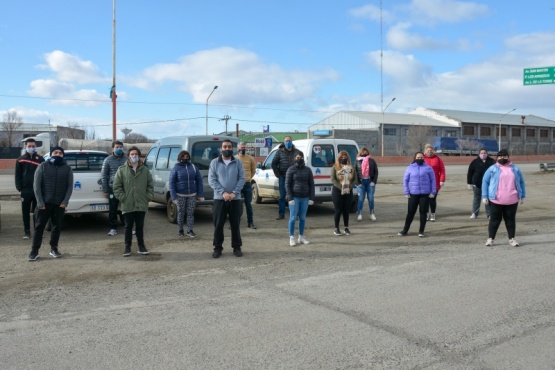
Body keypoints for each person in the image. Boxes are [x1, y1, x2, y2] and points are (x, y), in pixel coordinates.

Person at [27, 146, 73, 261]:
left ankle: (54, 248)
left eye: (60, 153)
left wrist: (65, 201)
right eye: (55, 152)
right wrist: (40, 202)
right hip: (44, 204)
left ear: (63, 155)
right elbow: (36, 186)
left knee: (56, 227)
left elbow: (69, 187)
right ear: (51, 154)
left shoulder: (67, 168)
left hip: (59, 204)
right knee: (39, 227)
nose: (58, 154)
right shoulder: (42, 166)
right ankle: (34, 251)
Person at [113, 146, 154, 257]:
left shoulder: (145, 170)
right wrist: (123, 198)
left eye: (136, 154)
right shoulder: (122, 170)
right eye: (132, 154)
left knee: (140, 226)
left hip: (141, 203)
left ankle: (141, 246)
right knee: (128, 226)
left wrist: (147, 197)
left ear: (139, 156)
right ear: (128, 156)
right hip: (128, 203)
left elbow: (150, 185)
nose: (134, 156)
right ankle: (127, 247)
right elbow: (116, 187)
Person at [208, 139, 246, 258]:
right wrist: (223, 192)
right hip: (220, 199)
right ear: (221, 149)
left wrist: (234, 193)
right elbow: (212, 180)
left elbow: (242, 178)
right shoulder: (214, 162)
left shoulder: (238, 162)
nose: (227, 149)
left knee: (235, 225)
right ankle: (217, 248)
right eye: (225, 147)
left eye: (229, 147)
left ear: (232, 148)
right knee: (218, 225)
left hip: (235, 199)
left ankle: (237, 247)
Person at [481, 149, 526, 247]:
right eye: (500, 156)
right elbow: (485, 182)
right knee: (494, 220)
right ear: (497, 158)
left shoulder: (515, 169)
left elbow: (521, 182)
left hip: (512, 200)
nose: (502, 158)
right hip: (496, 200)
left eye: (505, 156)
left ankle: (512, 239)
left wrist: (522, 195)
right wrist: (484, 196)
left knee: (510, 220)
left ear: (508, 157)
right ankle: (490, 239)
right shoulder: (492, 169)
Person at [398, 152, 436, 237]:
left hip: (425, 194)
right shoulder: (409, 168)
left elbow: (433, 180)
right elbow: (405, 181)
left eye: (421, 157)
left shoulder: (428, 168)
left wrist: (433, 192)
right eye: (418, 157)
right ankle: (405, 230)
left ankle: (421, 231)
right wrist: (406, 192)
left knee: (423, 212)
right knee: (410, 212)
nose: (420, 159)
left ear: (424, 158)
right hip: (413, 194)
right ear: (415, 158)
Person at [169, 150, 204, 238]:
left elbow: (199, 181)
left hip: (192, 195)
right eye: (183, 157)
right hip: (180, 195)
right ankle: (180, 230)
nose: (185, 158)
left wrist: (200, 194)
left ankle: (190, 230)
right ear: (179, 158)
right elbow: (171, 182)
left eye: (187, 157)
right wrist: (174, 197)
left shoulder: (193, 167)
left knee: (190, 213)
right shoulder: (176, 168)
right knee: (181, 213)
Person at [15, 138, 44, 240]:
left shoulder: (41, 160)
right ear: (26, 147)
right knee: (25, 212)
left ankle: (38, 230)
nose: (31, 148)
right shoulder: (20, 159)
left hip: (37, 191)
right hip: (25, 191)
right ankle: (27, 232)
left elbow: (43, 176)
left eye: (33, 146)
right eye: (29, 146)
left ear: (35, 147)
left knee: (38, 212)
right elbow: (17, 176)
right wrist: (20, 188)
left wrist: (42, 189)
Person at [285, 151, 315, 246]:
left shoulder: (308, 170)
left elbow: (311, 184)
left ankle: (301, 236)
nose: (299, 159)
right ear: (294, 158)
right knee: (293, 218)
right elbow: (287, 184)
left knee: (302, 218)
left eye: (301, 157)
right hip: (295, 197)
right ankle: (291, 237)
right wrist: (290, 198)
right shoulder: (291, 169)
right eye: (297, 157)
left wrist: (311, 198)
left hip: (305, 197)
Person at [101, 140, 127, 236]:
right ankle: (113, 228)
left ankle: (127, 226)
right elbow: (104, 175)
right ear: (113, 148)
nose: (119, 149)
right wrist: (105, 190)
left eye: (120, 147)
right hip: (113, 188)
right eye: (117, 147)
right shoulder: (108, 160)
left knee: (126, 208)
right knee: (113, 209)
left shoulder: (127, 159)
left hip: (125, 188)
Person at [271, 136, 301, 220]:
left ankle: (296, 215)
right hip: (283, 177)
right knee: (282, 196)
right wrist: (277, 174)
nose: (288, 142)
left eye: (289, 140)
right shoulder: (279, 152)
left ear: (292, 141)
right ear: (284, 142)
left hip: (294, 177)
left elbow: (301, 162)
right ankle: (281, 214)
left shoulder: (297, 152)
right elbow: (273, 163)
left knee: (295, 196)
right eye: (286, 141)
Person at [330, 150, 357, 236]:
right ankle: (336, 228)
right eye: (342, 157)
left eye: (345, 157)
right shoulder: (335, 167)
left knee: (346, 211)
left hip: (348, 192)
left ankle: (346, 228)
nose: (343, 159)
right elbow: (333, 179)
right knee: (338, 210)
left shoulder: (351, 168)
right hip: (337, 192)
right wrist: (340, 187)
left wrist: (350, 186)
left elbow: (355, 179)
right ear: (339, 158)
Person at [466, 148, 495, 219]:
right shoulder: (474, 162)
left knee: (487, 199)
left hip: (489, 184)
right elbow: (470, 173)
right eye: (481, 153)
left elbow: (496, 172)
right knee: (476, 198)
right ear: (479, 154)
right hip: (477, 184)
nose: (483, 154)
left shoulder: (492, 161)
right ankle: (474, 213)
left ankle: (489, 214)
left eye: (484, 153)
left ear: (487, 153)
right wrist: (469, 183)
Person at [354, 147, 379, 222]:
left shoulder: (372, 161)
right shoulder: (357, 161)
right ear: (360, 153)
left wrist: (373, 181)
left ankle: (372, 214)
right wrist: (358, 183)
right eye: (363, 151)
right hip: (361, 182)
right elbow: (354, 173)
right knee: (361, 199)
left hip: (369, 182)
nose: (364, 153)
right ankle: (359, 214)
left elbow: (376, 171)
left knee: (371, 198)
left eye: (366, 151)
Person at [236, 142, 257, 229]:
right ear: (238, 149)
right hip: (237, 185)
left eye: (244, 147)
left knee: (248, 204)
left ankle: (250, 222)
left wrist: (248, 178)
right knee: (236, 205)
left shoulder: (250, 158)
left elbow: (253, 170)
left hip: (247, 184)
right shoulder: (234, 158)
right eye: (241, 147)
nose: (243, 149)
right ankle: (235, 223)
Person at [423, 144, 446, 221]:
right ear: (425, 151)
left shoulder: (438, 159)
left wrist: (442, 180)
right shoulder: (422, 159)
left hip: (435, 183)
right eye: (428, 151)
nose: (429, 152)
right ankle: (426, 214)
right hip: (424, 183)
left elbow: (442, 170)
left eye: (431, 150)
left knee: (432, 199)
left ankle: (433, 214)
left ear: (433, 151)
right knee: (425, 200)